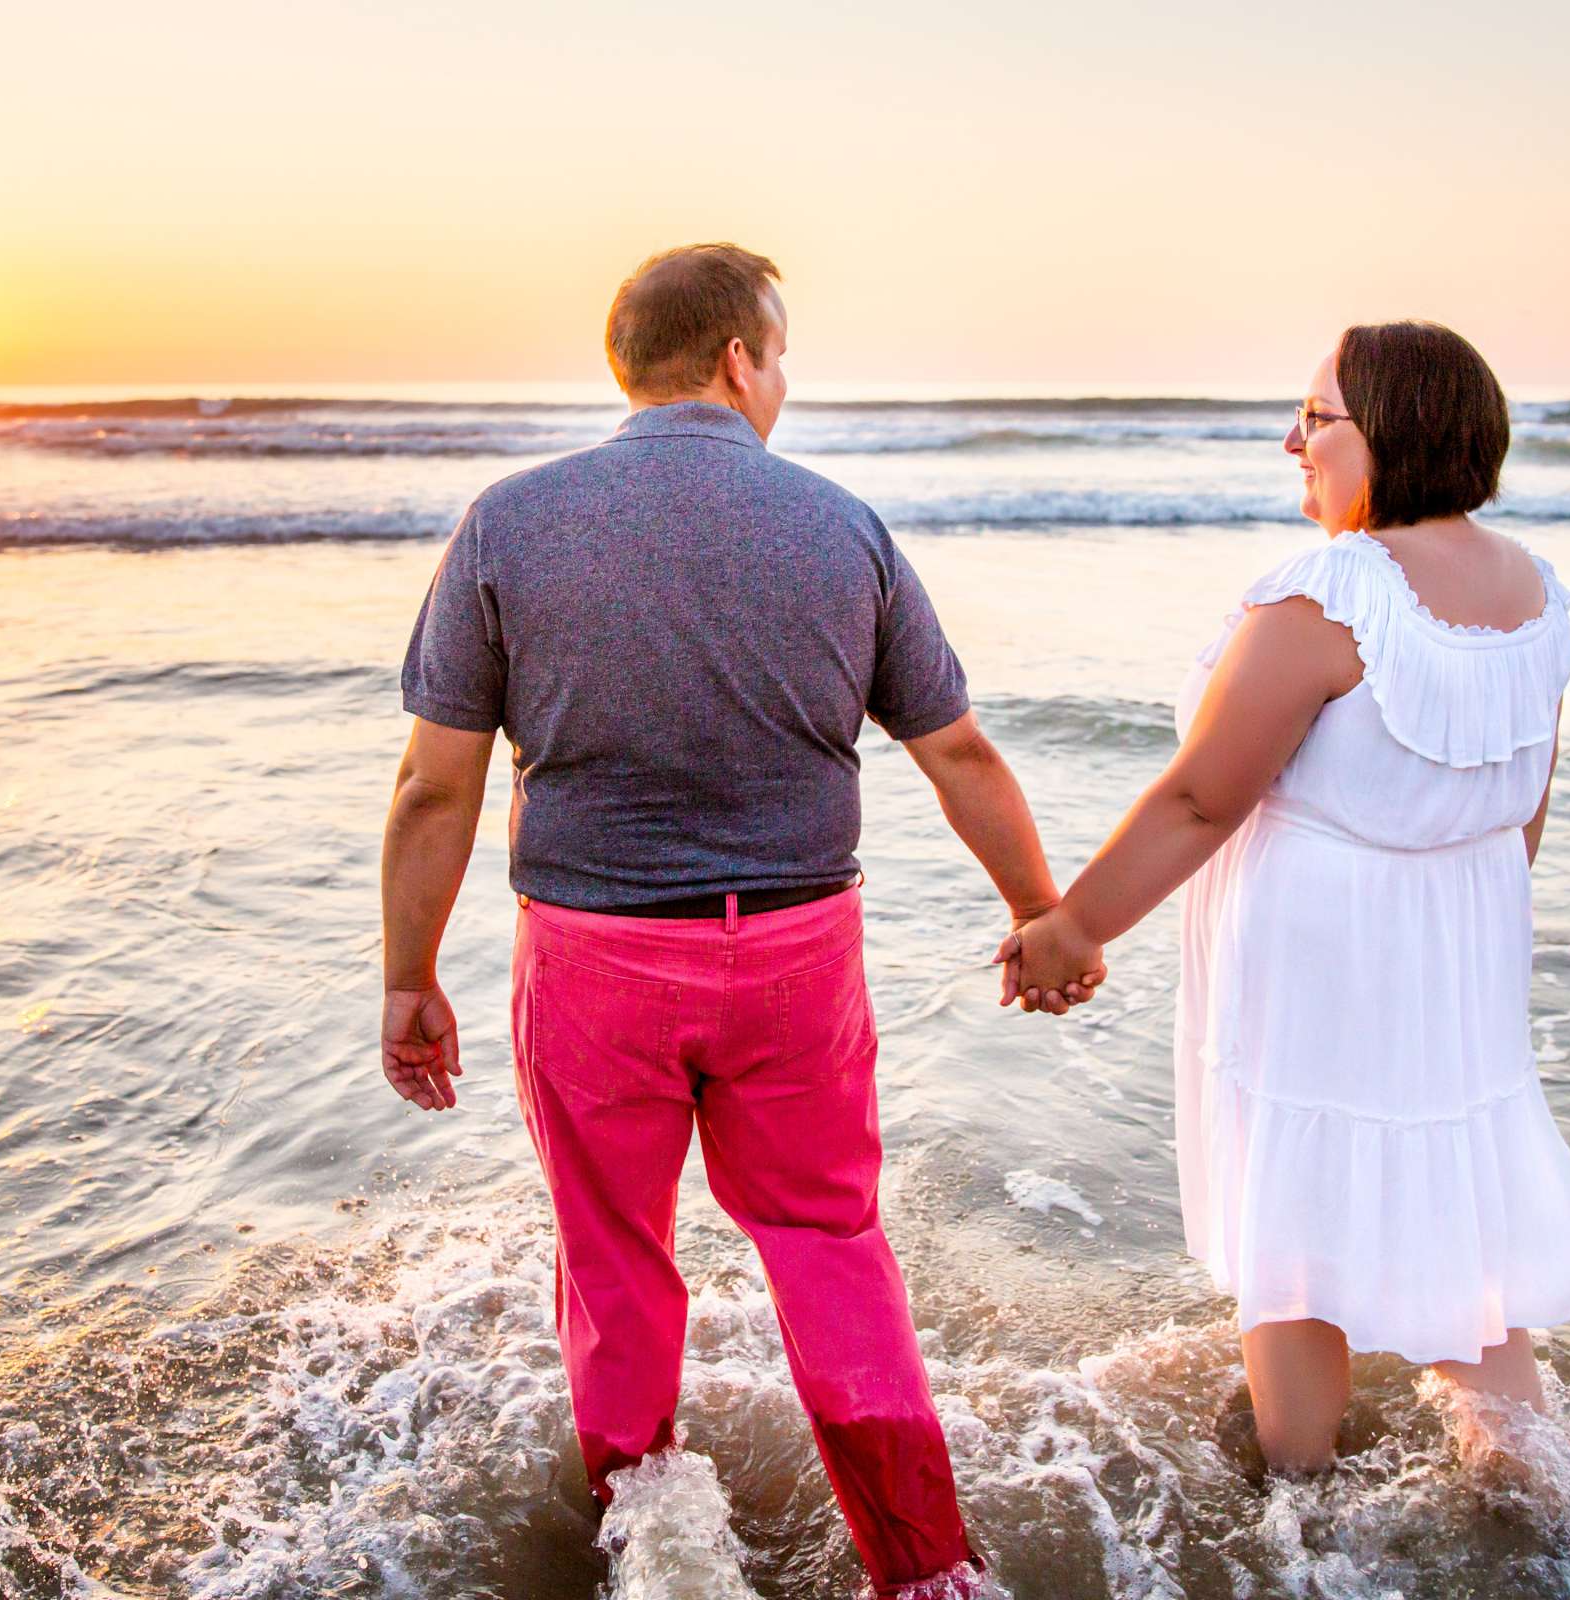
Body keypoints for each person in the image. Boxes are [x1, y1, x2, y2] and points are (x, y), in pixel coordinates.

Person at [378, 243, 1086, 1596]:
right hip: (795, 958)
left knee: (615, 1255)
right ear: (738, 360)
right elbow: (962, 756)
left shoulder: (509, 523)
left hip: (593, 964)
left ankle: (644, 1544)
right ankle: (925, 1564)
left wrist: (409, 977)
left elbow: (432, 788)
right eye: (783, 356)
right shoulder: (839, 526)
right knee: (829, 1247)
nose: (784, 382)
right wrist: (1041, 912)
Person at [999, 321, 1570, 1471]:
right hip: (1460, 949)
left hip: (1323, 960)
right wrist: (1452, 932)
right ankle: (1537, 1485)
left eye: (1317, 416)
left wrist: (1072, 925)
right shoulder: (1536, 594)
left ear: (1392, 432)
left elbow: (1203, 797)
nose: (1291, 439)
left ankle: (1297, 1496)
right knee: (1454, 1197)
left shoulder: (1336, 588)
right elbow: (1525, 807)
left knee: (1297, 1202)